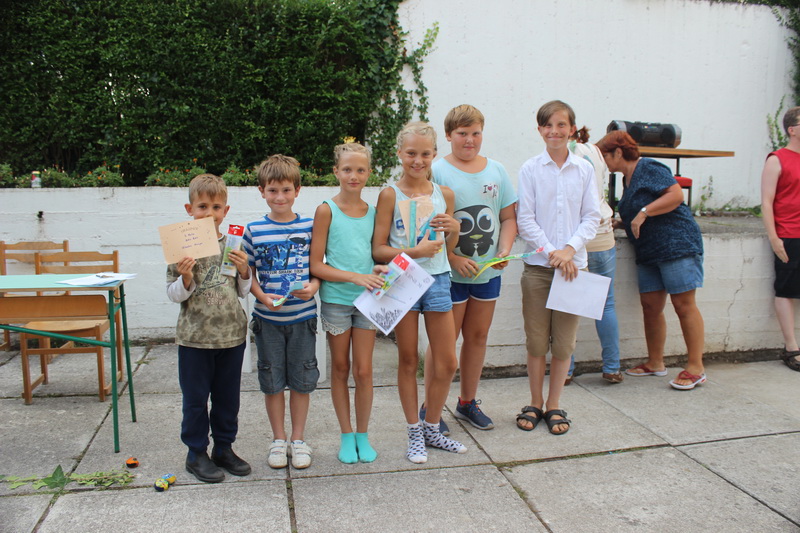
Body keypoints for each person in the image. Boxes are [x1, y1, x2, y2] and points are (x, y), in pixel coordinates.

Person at [372, 121, 466, 463]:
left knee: (447, 361)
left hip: (438, 279)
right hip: (404, 280)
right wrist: (414, 252)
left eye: (425, 154)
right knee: (409, 359)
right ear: (399, 153)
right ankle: (414, 432)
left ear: (435, 155)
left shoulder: (445, 195)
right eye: (411, 153)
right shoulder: (390, 194)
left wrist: (455, 230)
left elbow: (447, 248)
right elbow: (379, 249)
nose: (417, 160)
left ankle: (432, 427)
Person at [422, 104, 517, 432]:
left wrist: (504, 249)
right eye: (462, 133)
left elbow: (508, 218)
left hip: (487, 273)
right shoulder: (437, 171)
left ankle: (467, 402)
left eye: (476, 133)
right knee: (444, 343)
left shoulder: (497, 171)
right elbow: (427, 224)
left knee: (477, 336)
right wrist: (453, 258)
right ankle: (431, 407)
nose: (469, 140)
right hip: (448, 274)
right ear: (449, 135)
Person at [596, 130, 706, 390]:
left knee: (683, 305)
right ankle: (655, 362)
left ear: (618, 152)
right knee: (650, 306)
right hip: (648, 250)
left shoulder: (648, 167)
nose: (602, 162)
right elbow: (638, 213)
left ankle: (696, 367)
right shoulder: (627, 179)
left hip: (676, 244)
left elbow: (675, 196)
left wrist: (643, 212)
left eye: (604, 156)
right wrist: (622, 222)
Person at [515, 100, 600, 435]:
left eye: (561, 125)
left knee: (564, 344)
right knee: (537, 342)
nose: (555, 131)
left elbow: (592, 216)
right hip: (539, 268)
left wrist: (568, 251)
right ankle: (535, 402)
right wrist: (553, 252)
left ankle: (554, 404)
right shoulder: (530, 169)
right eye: (548, 125)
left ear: (572, 129)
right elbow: (525, 219)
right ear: (540, 130)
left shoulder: (584, 169)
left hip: (573, 269)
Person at [167, 173, 252, 483]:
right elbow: (173, 294)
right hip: (195, 338)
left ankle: (224, 448)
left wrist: (245, 270)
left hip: (231, 336)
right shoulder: (181, 248)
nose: (209, 213)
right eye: (202, 206)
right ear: (190, 209)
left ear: (225, 211)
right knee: (195, 400)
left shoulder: (233, 244)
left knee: (228, 399)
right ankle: (196, 453)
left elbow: (242, 291)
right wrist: (186, 277)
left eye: (216, 207)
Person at [309, 142, 387, 463]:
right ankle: (346, 434)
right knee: (340, 368)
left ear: (368, 173)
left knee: (364, 371)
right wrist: (354, 277)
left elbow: (377, 254)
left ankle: (363, 435)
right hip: (336, 302)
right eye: (347, 169)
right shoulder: (326, 210)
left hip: (368, 302)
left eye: (360, 170)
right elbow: (316, 264)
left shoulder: (375, 213)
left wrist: (379, 269)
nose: (353, 176)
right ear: (336, 172)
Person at [244, 154, 320, 470]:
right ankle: (278, 439)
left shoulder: (310, 226)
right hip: (268, 321)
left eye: (286, 190)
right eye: (273, 190)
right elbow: (247, 273)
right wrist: (261, 296)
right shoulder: (253, 230)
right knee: (272, 381)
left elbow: (319, 267)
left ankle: (298, 439)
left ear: (297, 190)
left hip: (303, 317)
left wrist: (314, 287)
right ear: (262, 191)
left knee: (302, 380)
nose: (280, 197)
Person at [565, 126, 623, 385]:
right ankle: (612, 367)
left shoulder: (564, 153)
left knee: (567, 305)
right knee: (606, 304)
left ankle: (566, 370)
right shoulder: (597, 152)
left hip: (575, 239)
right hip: (602, 234)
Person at [761, 105, 800, 372]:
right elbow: (766, 201)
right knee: (786, 290)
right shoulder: (777, 159)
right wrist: (774, 238)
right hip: (789, 234)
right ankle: (791, 347)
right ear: (792, 129)